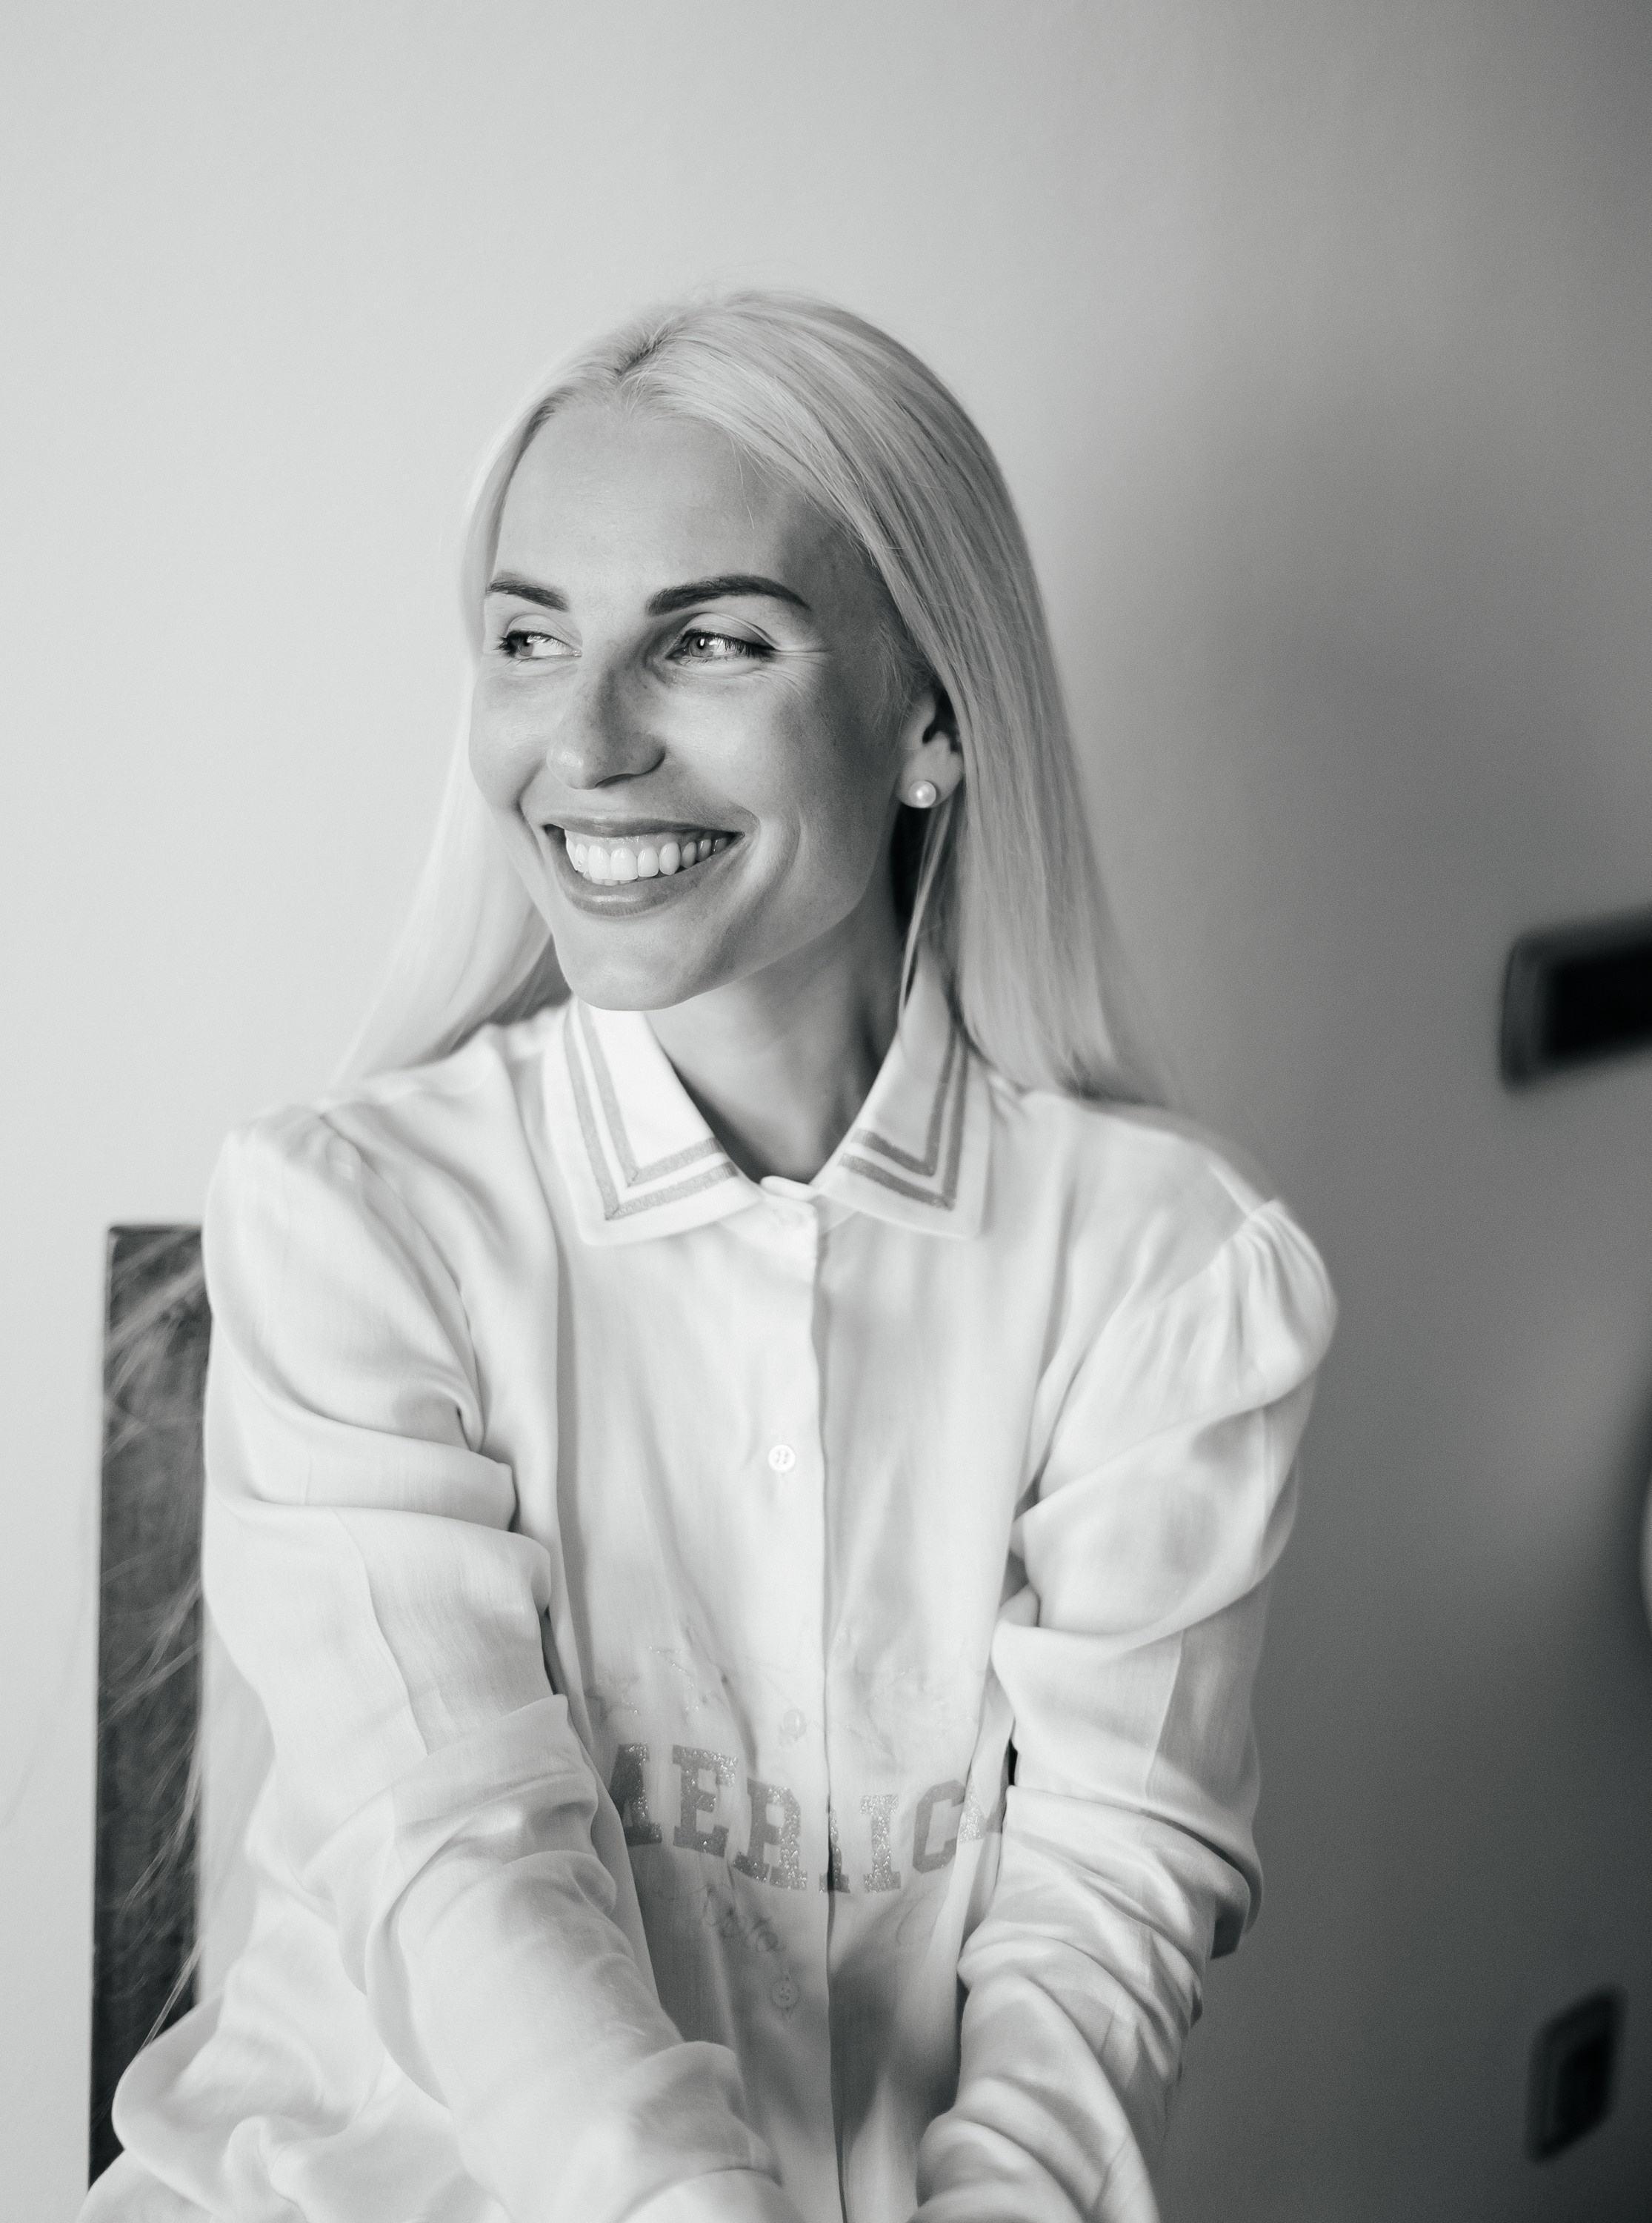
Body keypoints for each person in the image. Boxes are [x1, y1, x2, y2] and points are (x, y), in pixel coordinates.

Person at [84, 290, 1336, 2223]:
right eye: (528, 639)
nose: (580, 742)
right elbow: (462, 1854)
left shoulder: (1175, 1276)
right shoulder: (350, 1218)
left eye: (711, 642)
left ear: (933, 716)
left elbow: (1108, 1901)